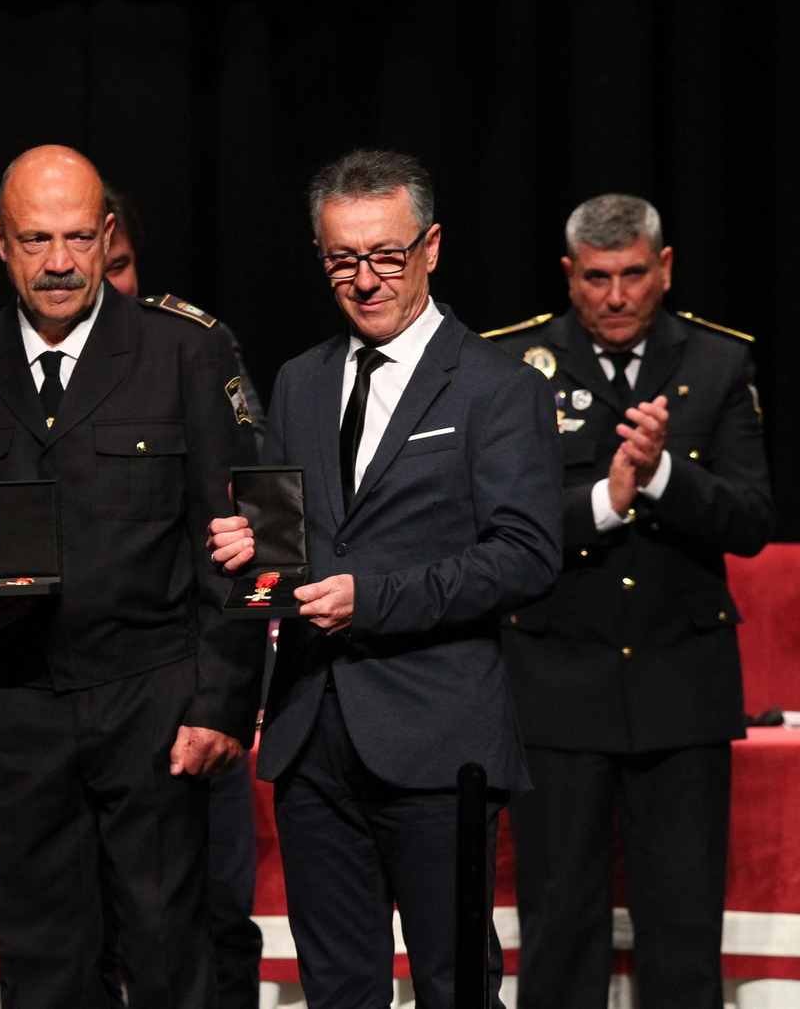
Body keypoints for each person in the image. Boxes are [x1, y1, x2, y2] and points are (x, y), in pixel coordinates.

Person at [0, 145, 265, 1009]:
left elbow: (243, 545)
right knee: (45, 966)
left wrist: (222, 706)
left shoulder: (188, 353)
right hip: (16, 701)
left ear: (106, 238)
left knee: (173, 959)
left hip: (156, 706)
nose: (58, 263)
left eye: (74, 238)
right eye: (34, 240)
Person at [208, 148, 562, 1008]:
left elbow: (527, 554)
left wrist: (374, 603)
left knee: (453, 980)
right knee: (336, 985)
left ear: (431, 248)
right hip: (308, 734)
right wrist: (246, 563)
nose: (364, 280)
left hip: (438, 737)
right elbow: (280, 564)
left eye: (385, 256)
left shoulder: (496, 387)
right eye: (342, 259)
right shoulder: (298, 381)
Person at [485, 194, 774, 1009]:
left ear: (666, 268)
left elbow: (753, 520)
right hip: (556, 683)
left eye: (635, 276)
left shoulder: (718, 364)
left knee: (683, 930)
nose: (617, 297)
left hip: (681, 682)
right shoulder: (513, 364)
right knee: (560, 923)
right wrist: (608, 501)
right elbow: (494, 524)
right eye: (599, 278)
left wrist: (666, 477)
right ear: (570, 276)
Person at [99, 182, 266, 1008]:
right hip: (83, 695)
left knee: (212, 915)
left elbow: (258, 512)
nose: (106, 281)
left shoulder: (193, 344)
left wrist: (229, 693)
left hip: (192, 683)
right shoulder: (10, 354)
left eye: (119, 263)